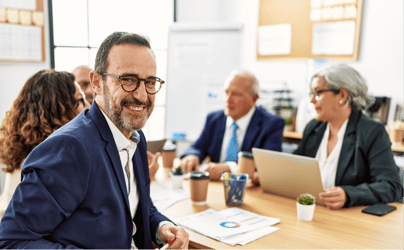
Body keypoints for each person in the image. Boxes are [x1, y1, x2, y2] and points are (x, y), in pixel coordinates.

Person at [0, 32, 189, 249]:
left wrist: (162, 228)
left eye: (150, 82)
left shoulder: (135, 136)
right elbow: (12, 241)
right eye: (128, 80)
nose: (142, 95)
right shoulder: (70, 148)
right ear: (97, 83)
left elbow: (136, 208)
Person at [294, 63, 402, 209]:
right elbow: (294, 166)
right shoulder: (314, 127)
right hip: (313, 211)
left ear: (343, 96)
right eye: (311, 93)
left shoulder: (372, 131)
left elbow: (391, 186)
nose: (312, 100)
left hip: (348, 220)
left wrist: (349, 194)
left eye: (318, 93)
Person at [0, 70, 90, 220]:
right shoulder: (51, 159)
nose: (88, 106)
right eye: (81, 100)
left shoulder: (23, 147)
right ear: (58, 110)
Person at [181, 70, 285, 181]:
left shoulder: (271, 124)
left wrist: (231, 169)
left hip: (247, 191)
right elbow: (197, 147)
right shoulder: (214, 119)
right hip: (214, 186)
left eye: (235, 94)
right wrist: (193, 156)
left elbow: (268, 167)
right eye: (226, 92)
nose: (228, 99)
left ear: (254, 99)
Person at [73, 65, 162, 180]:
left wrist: (139, 174)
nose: (90, 90)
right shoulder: (72, 142)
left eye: (150, 82)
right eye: (82, 85)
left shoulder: (132, 134)